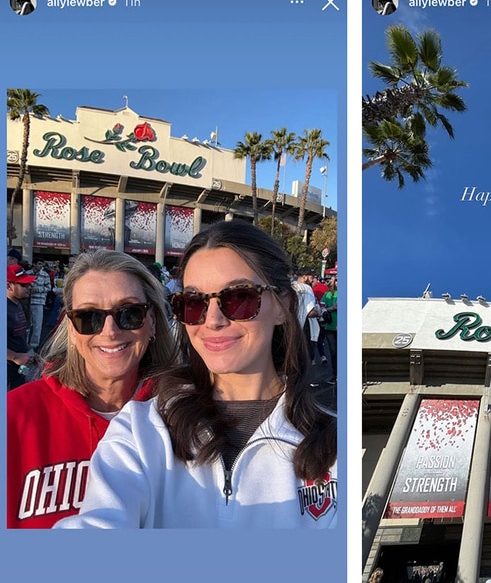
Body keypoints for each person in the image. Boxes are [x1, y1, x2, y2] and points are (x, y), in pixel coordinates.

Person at [54, 219, 337, 528]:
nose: (212, 320)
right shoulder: (142, 428)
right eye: (192, 302)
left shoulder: (335, 442)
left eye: (239, 297)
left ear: (283, 306)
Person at [7, 250, 178, 528]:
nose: (109, 331)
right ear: (72, 330)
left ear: (153, 322)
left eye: (130, 313)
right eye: (89, 317)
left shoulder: (187, 418)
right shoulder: (14, 416)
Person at [7, 264, 37, 391]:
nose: (28, 288)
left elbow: (18, 334)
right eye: (23, 285)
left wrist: (30, 352)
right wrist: (15, 356)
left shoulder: (17, 303)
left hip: (18, 368)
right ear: (8, 285)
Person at [28, 258, 51, 350]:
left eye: (41, 264)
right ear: (34, 264)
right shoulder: (27, 273)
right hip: (28, 302)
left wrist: (37, 289)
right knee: (27, 325)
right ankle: (24, 344)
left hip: (39, 302)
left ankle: (34, 345)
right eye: (39, 264)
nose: (40, 266)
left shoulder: (45, 275)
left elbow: (48, 287)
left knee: (37, 325)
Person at [321, 275, 338, 384]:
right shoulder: (326, 295)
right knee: (333, 353)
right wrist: (332, 308)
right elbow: (321, 310)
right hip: (330, 328)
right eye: (327, 281)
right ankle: (335, 375)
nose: (329, 283)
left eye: (330, 280)